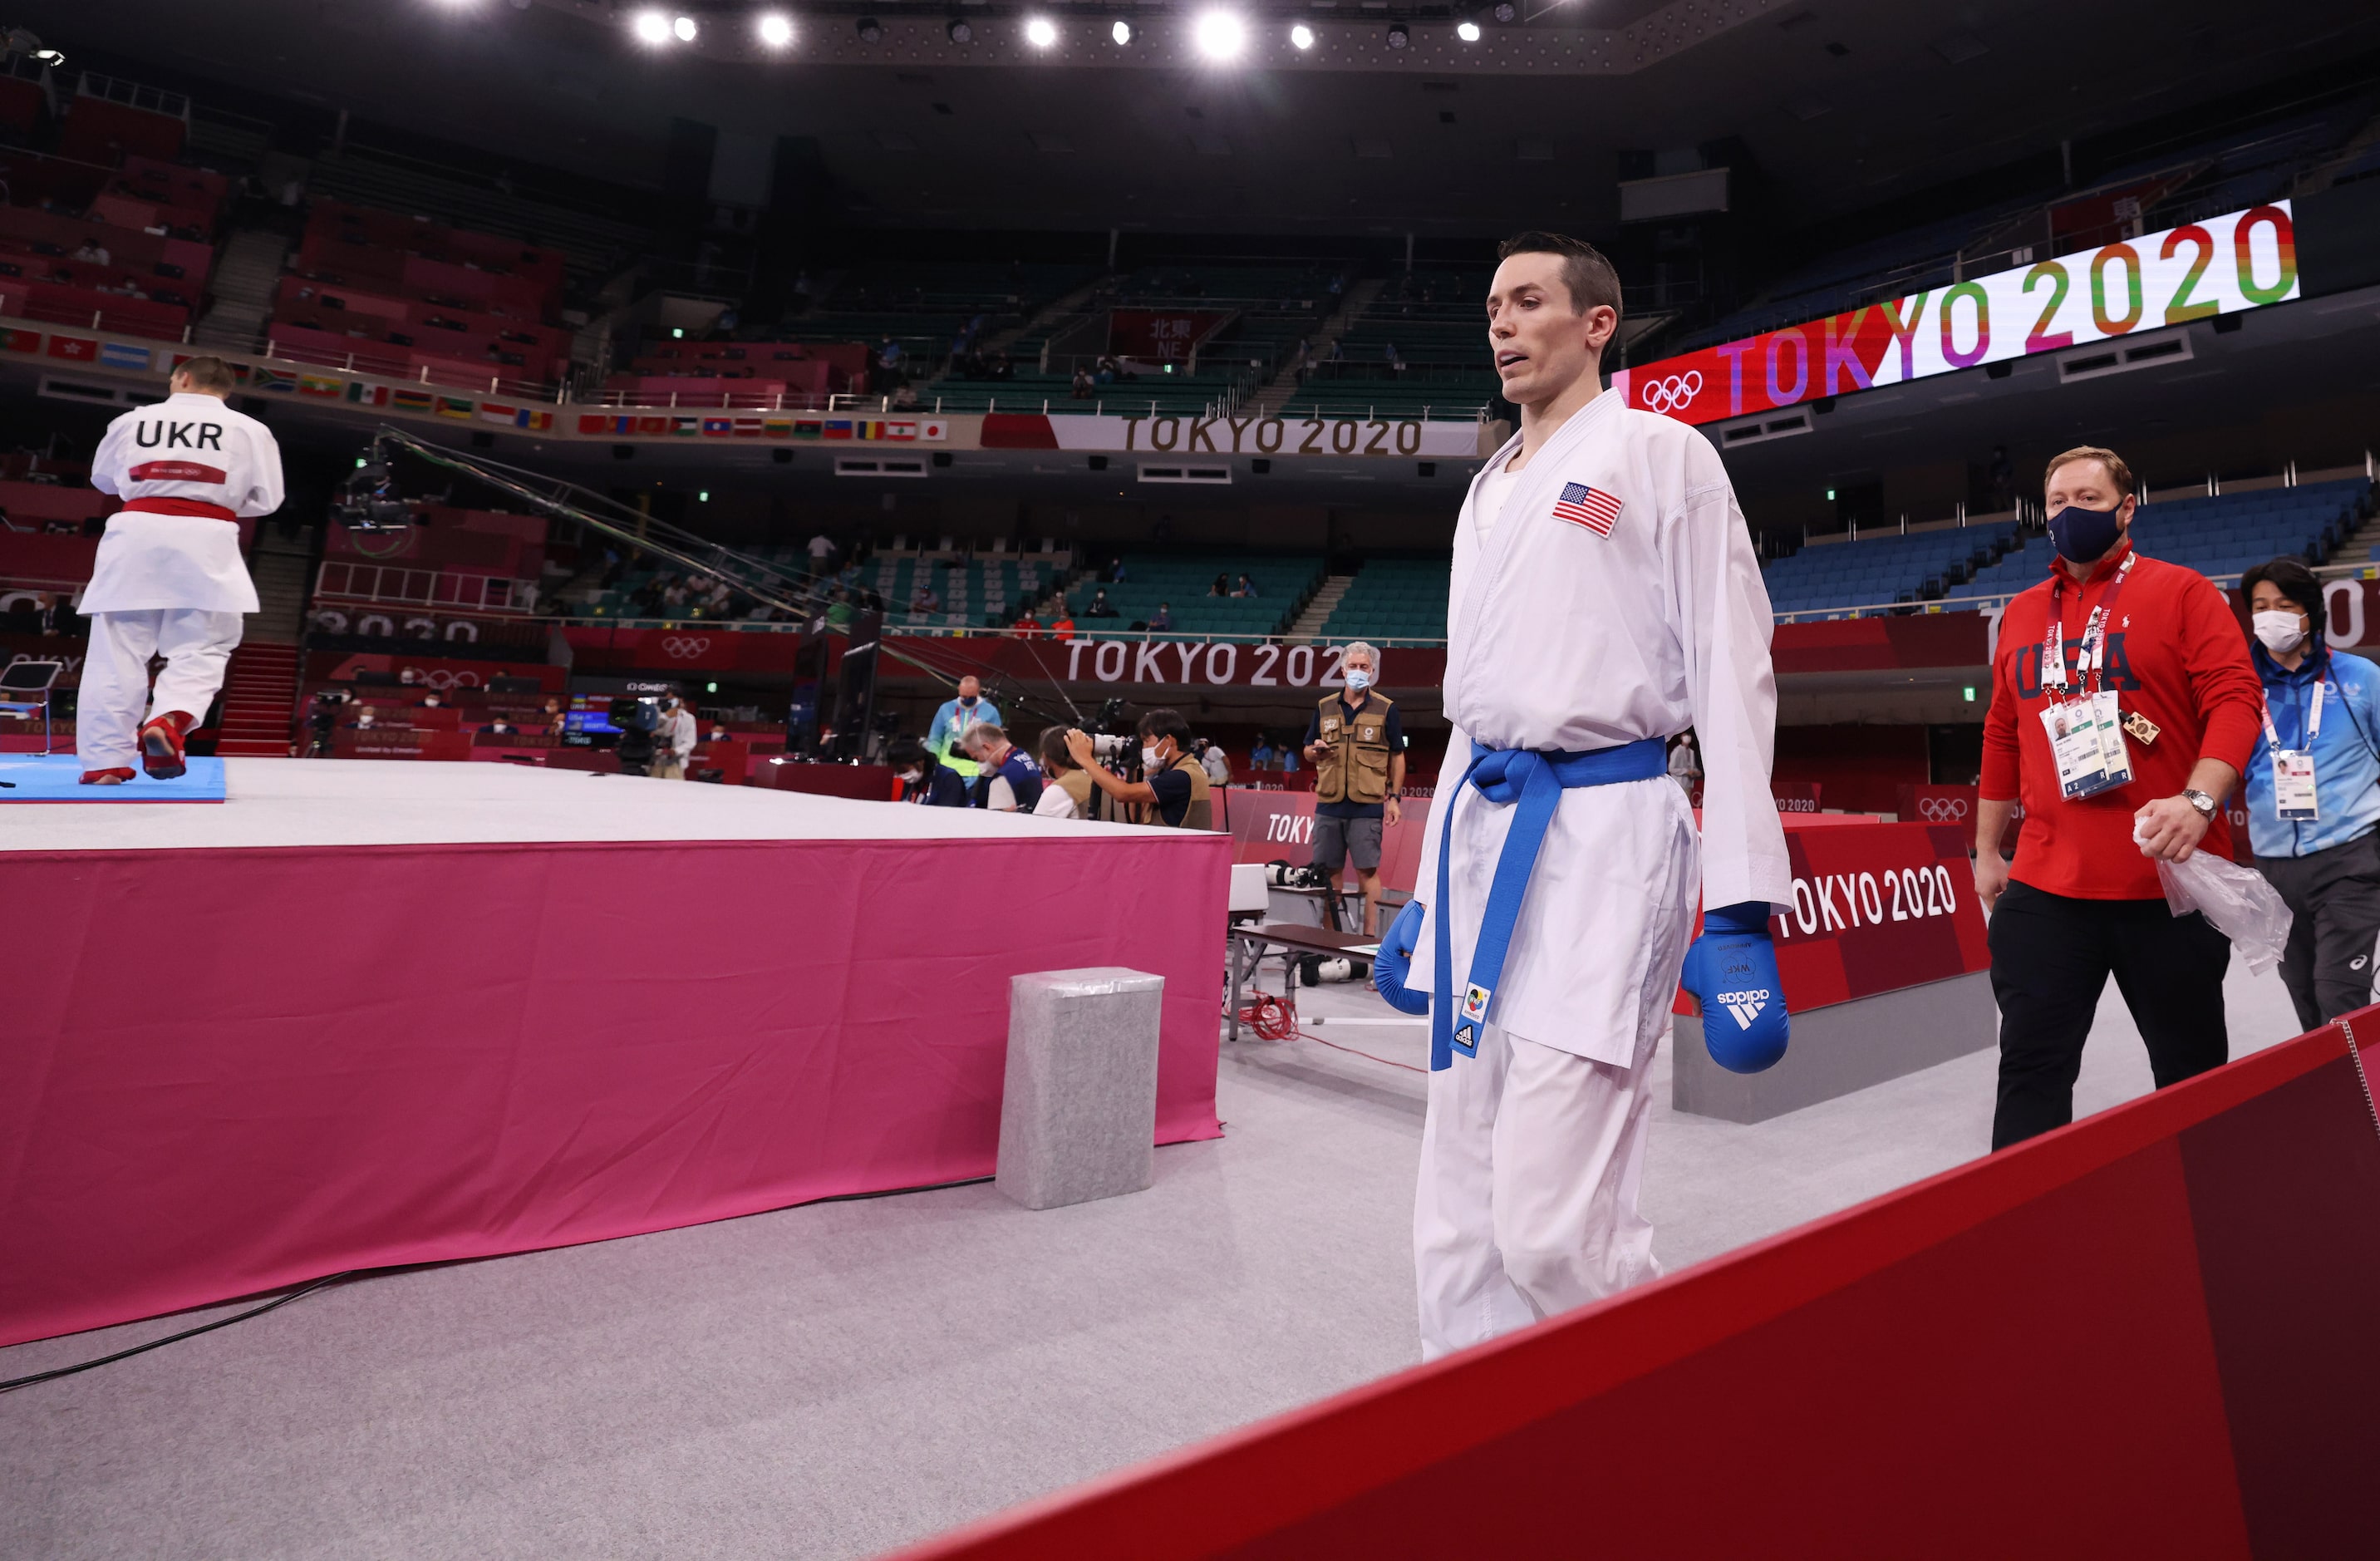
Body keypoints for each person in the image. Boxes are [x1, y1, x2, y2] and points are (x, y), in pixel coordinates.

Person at [1385, 231, 1793, 1363]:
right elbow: (1475, 705)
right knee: (1460, 1205)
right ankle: (1485, 1445)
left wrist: (1744, 904)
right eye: (1492, 309)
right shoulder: (1485, 492)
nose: (1502, 326)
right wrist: (1424, 899)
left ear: (1597, 322)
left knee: (1555, 1226)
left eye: (1527, 302)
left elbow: (1733, 666)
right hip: (1483, 834)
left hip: (1610, 832)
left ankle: (1655, 1416)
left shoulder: (1662, 454)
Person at [1974, 446, 2263, 1150]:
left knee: (2191, 1076)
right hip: (2047, 887)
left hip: (2165, 882)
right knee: (2030, 1074)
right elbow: (2003, 733)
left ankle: (2202, 1215)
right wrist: (1985, 847)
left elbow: (2236, 699)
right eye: (2057, 503)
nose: (2071, 514)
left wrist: (2197, 800)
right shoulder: (2020, 615)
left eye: (2089, 499)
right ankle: (2024, 1222)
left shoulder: (2184, 593)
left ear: (2127, 508)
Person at [76, 356, 281, 784]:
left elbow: (103, 480)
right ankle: (169, 719)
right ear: (226, 389)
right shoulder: (251, 430)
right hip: (208, 538)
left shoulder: (133, 421)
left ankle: (105, 764)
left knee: (116, 652)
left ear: (182, 379)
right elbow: (267, 501)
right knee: (202, 646)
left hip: (136, 534)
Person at [2240, 556, 2380, 1029]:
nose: (2270, 615)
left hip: (2350, 858)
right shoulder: (2237, 687)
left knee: (2338, 992)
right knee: (2305, 997)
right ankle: (2341, 1096)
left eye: (2283, 604)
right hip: (2273, 866)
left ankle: (2361, 1101)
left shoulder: (2360, 677)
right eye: (2260, 606)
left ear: (2309, 613)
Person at [1303, 642, 1408, 936]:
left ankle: (1369, 939)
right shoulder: (1324, 707)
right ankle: (1329, 939)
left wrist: (1395, 799)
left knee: (1368, 872)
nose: (1358, 672)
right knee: (1328, 873)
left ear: (1373, 671)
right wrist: (1316, 751)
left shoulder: (1387, 709)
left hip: (1367, 804)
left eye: (1364, 667)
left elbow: (1397, 755)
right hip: (1329, 803)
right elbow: (1307, 751)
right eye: (1353, 666)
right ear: (1342, 670)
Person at [1065, 710, 1212, 828]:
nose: (1144, 747)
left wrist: (1085, 759)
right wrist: (1132, 765)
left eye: (1146, 741)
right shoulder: (1173, 771)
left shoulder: (1182, 776)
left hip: (1181, 858)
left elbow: (1123, 794)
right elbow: (1137, 817)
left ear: (1168, 740)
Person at [963, 721, 1043, 812]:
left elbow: (997, 823)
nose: (978, 763)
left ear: (986, 747)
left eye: (976, 758)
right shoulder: (1026, 758)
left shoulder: (1002, 778)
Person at [927, 675, 999, 767]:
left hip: (977, 771)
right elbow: (935, 738)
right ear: (959, 689)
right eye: (964, 696)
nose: (967, 699)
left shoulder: (990, 711)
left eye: (971, 697)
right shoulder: (946, 709)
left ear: (978, 691)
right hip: (947, 768)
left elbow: (996, 742)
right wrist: (933, 762)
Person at [889, 734, 969, 806]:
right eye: (898, 771)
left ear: (920, 762)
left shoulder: (949, 778)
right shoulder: (912, 781)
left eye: (903, 770)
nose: (902, 775)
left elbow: (948, 814)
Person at [652, 692, 696, 780]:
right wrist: (665, 717)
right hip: (655, 760)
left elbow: (690, 742)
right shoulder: (656, 714)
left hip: (675, 762)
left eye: (673, 700)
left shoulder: (688, 718)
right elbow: (653, 730)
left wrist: (676, 751)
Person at [1668, 730, 1703, 801]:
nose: (1687, 737)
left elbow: (1692, 767)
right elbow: (1671, 768)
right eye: (1685, 735)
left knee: (1687, 805)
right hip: (1679, 783)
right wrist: (1686, 771)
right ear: (1681, 737)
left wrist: (1696, 772)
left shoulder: (1691, 752)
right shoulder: (1677, 750)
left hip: (1688, 784)